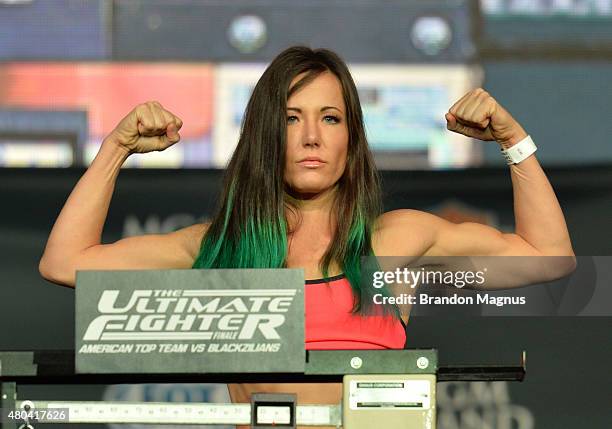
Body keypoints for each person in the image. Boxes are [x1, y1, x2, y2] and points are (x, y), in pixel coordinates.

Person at [39, 46, 575, 424]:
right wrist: (115, 148)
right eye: (292, 118)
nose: (312, 137)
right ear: (266, 135)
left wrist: (513, 139)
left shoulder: (398, 241)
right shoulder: (218, 250)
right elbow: (64, 263)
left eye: (331, 119)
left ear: (352, 139)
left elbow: (549, 257)